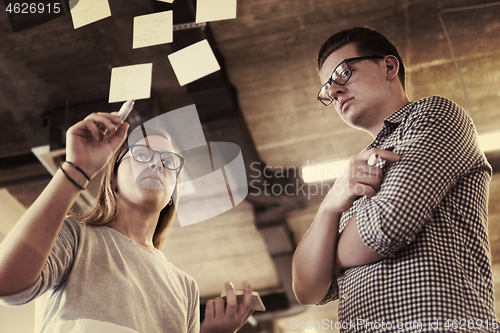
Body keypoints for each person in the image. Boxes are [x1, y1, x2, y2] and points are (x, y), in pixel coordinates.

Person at [292, 27, 496, 331]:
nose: (334, 91)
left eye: (343, 73)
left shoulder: (434, 115)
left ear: (388, 66)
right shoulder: (354, 174)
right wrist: (329, 208)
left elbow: (388, 225)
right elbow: (308, 290)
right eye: (327, 89)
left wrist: (328, 252)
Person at [0, 111, 253, 333]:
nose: (157, 163)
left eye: (169, 162)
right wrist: (76, 168)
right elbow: (7, 285)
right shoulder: (76, 237)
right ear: (114, 179)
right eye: (141, 154)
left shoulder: (186, 287)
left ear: (173, 195)